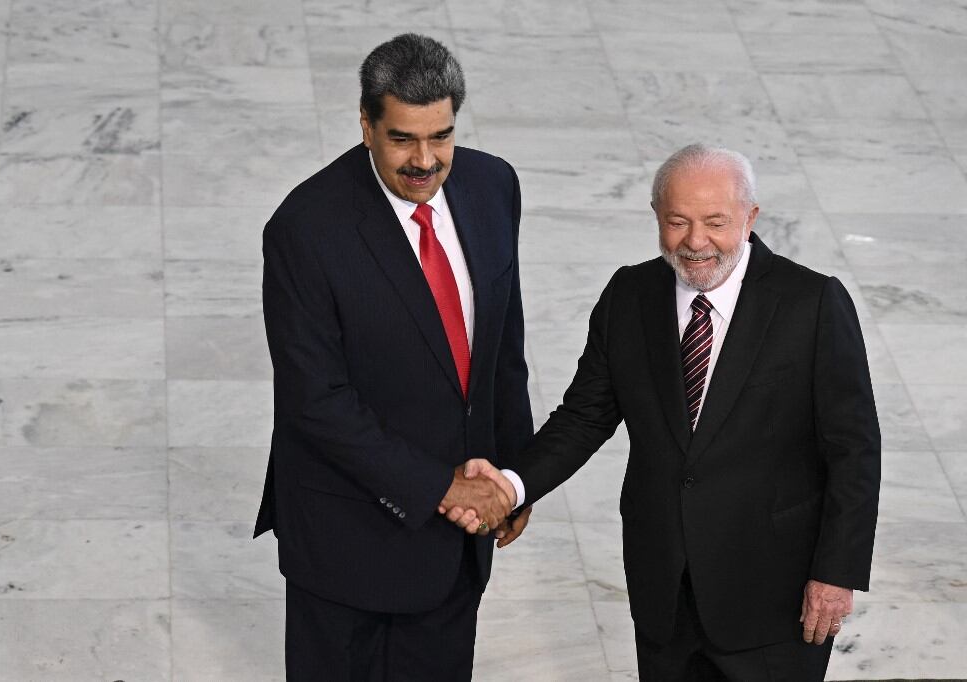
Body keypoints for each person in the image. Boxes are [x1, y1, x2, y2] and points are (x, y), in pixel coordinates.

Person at [462, 144, 881, 679]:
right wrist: (512, 487)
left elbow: (855, 451)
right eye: (677, 222)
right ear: (657, 216)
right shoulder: (629, 295)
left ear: (750, 218)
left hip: (776, 597)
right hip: (664, 592)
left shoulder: (813, 303)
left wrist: (835, 574)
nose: (696, 242)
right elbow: (584, 416)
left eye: (715, 222)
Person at [252, 33, 531, 681]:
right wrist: (443, 487)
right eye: (403, 137)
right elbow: (316, 403)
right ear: (366, 126)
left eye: (441, 136)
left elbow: (501, 347)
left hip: (459, 543)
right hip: (349, 541)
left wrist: (516, 476)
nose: (425, 161)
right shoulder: (305, 230)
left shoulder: (493, 187)